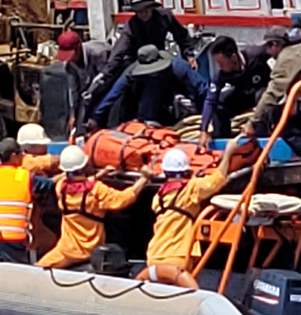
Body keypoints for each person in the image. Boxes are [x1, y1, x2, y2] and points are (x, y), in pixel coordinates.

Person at [137, 142, 252, 288]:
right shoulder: (191, 189)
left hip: (154, 255)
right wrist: (228, 154)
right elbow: (215, 181)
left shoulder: (157, 197)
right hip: (177, 256)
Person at [38, 145, 148, 270]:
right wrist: (144, 179)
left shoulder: (60, 188)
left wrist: (101, 174)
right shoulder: (97, 189)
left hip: (66, 251)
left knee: (38, 270)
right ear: (85, 166)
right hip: (92, 250)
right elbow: (121, 200)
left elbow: (78, 184)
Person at [82, 0, 194, 111]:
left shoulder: (165, 16)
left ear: (152, 8)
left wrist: (189, 55)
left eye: (146, 11)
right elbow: (119, 51)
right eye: (140, 12)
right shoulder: (131, 26)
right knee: (119, 87)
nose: (144, 14)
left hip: (161, 57)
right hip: (137, 62)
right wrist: (105, 73)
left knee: (185, 74)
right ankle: (98, 116)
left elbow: (182, 36)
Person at [88, 43, 208, 129]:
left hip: (185, 99)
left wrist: (206, 115)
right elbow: (114, 92)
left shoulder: (178, 66)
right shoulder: (131, 72)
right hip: (152, 103)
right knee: (152, 88)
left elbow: (202, 89)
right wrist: (95, 117)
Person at [248, 28, 301, 141]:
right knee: (295, 116)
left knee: (278, 116)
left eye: (268, 47)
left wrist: (253, 123)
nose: (267, 52)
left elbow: (273, 94)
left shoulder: (286, 59)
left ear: (275, 45)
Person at [197, 35, 269, 138]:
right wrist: (203, 129)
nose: (219, 67)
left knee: (264, 97)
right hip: (243, 95)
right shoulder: (221, 75)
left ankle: (261, 136)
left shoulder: (257, 55)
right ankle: (222, 138)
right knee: (219, 106)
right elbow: (210, 100)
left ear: (234, 58)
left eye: (222, 63)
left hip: (263, 95)